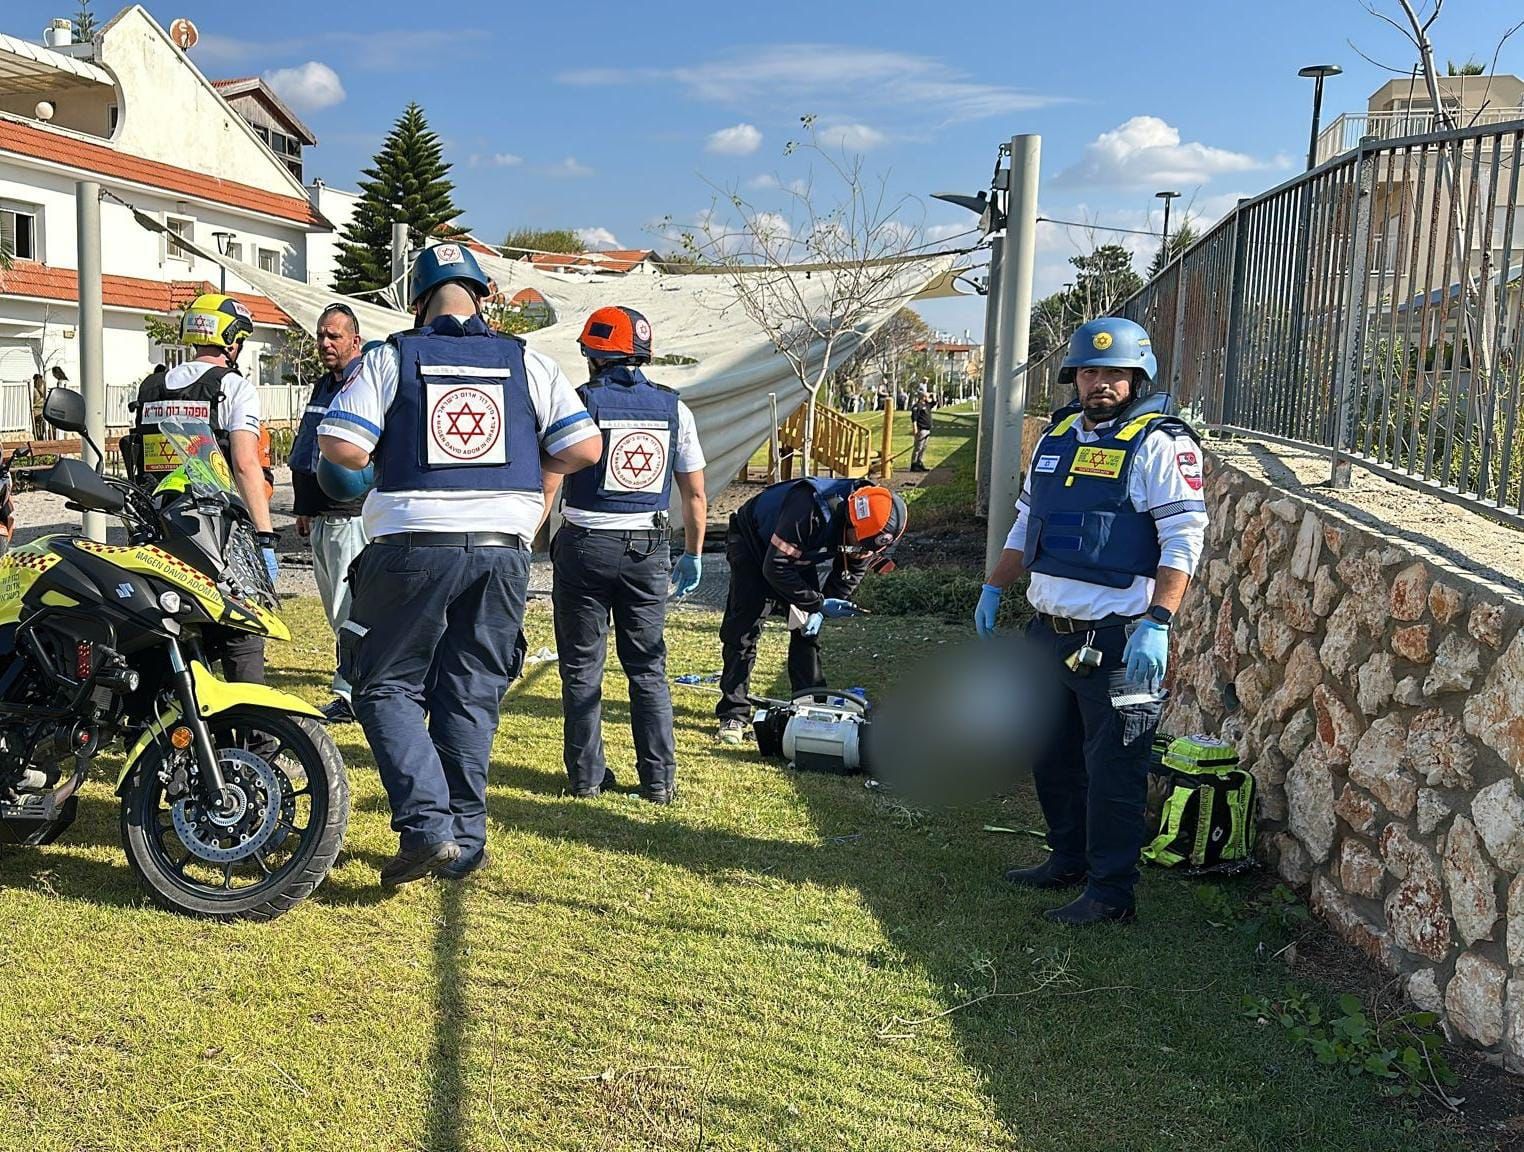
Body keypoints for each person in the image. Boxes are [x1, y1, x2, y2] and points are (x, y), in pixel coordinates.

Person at [318, 242, 601, 887]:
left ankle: (426, 827)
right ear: (485, 296)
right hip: (503, 552)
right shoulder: (527, 360)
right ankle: (465, 841)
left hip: (412, 547)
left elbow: (342, 447)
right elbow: (583, 447)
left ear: (413, 300)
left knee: (384, 684)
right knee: (471, 693)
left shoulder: (392, 356)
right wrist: (531, 483)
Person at [974, 317, 1208, 927]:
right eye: (1089, 371)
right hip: (1046, 632)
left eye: (1114, 373)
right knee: (1050, 753)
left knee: (1115, 768)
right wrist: (995, 586)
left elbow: (1183, 536)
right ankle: (1068, 859)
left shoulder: (1160, 444)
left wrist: (1159, 620)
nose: (1100, 382)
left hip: (1119, 641)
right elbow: (1029, 522)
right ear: (1072, 377)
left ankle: (1111, 892)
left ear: (1137, 378)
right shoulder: (1055, 438)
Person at [543, 306, 707, 803]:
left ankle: (586, 779)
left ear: (593, 354)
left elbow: (548, 479)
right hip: (647, 550)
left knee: (581, 668)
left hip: (585, 546)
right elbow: (695, 495)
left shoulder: (577, 403)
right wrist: (693, 553)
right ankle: (659, 781)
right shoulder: (675, 408)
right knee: (648, 669)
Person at [124, 293, 278, 685]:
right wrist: (264, 538)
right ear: (232, 341)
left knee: (168, 632)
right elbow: (245, 465)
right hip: (215, 535)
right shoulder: (233, 387)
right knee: (240, 634)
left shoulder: (150, 388)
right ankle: (249, 736)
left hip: (155, 531)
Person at [715, 477, 905, 744]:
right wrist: (816, 602)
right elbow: (776, 567)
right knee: (744, 630)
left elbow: (850, 571)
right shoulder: (809, 510)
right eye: (860, 545)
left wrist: (823, 607)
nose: (862, 552)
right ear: (849, 521)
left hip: (798, 552)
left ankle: (808, 704)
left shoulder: (868, 528)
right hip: (754, 541)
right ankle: (733, 713)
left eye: (870, 549)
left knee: (805, 631)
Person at [291, 303, 371, 724]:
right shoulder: (326, 384)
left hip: (350, 515)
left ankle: (351, 693)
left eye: (334, 336)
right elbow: (309, 447)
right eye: (321, 335)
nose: (324, 343)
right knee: (335, 609)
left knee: (349, 609)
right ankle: (355, 683)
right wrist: (303, 507)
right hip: (322, 515)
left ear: (354, 340)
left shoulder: (364, 383)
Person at [910, 387, 934, 471]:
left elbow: (934, 402)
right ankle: (914, 464)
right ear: (922, 396)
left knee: (924, 447)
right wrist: (915, 429)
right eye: (926, 395)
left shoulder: (927, 405)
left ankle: (920, 462)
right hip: (921, 429)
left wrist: (932, 395)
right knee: (918, 447)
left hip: (927, 429)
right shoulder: (917, 406)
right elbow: (914, 419)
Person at [29, 374, 46, 440]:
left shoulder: (42, 389)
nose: (40, 383)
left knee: (41, 428)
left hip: (41, 411)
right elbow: (34, 402)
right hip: (36, 411)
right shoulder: (34, 390)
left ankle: (40, 437)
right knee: (37, 428)